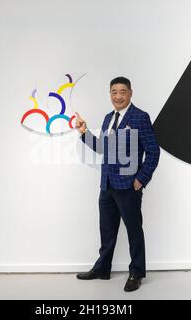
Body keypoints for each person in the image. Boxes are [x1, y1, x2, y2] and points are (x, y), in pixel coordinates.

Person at [75, 77, 160, 292]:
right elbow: (104, 149)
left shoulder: (140, 117)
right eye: (114, 92)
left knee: (133, 230)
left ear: (130, 93)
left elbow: (153, 151)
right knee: (107, 230)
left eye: (122, 91)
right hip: (107, 184)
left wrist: (141, 179)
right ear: (110, 94)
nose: (118, 96)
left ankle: (136, 272)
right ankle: (103, 268)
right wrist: (85, 133)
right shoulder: (107, 118)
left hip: (129, 186)